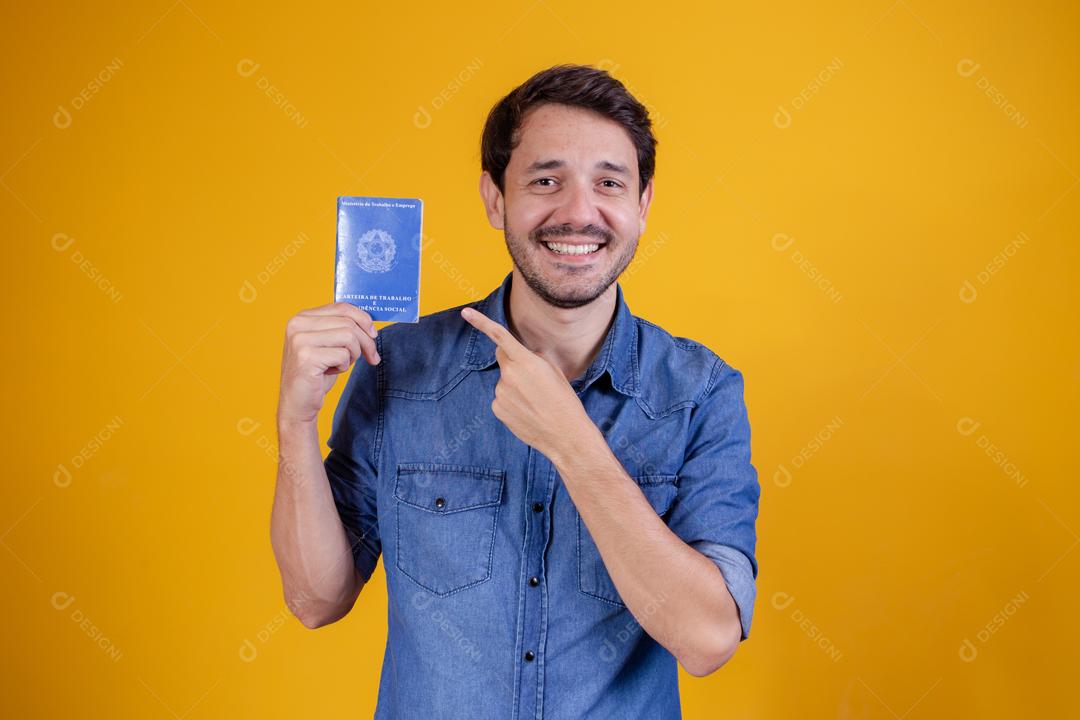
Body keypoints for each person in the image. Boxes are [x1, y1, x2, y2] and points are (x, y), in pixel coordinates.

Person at [270, 63, 760, 720]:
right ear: (495, 197)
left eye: (609, 183)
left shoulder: (702, 393)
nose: (578, 213)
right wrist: (295, 425)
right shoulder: (396, 367)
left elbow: (708, 640)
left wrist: (573, 444)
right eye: (545, 180)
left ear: (643, 205)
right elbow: (316, 600)